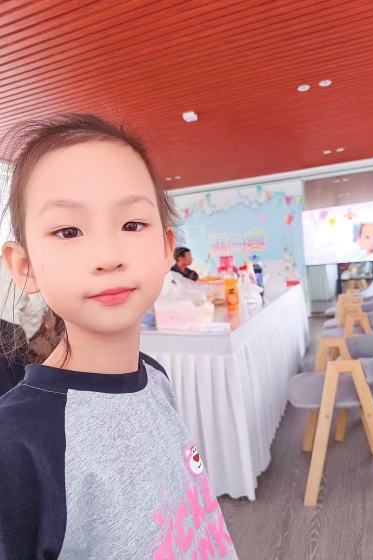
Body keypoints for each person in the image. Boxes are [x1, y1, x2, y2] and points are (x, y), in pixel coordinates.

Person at [0, 114, 237, 559]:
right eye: (68, 231)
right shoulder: (16, 441)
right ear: (24, 267)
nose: (108, 256)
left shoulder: (155, 377)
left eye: (132, 225)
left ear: (166, 248)